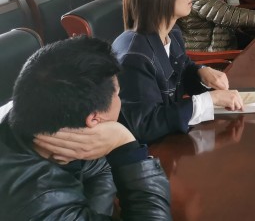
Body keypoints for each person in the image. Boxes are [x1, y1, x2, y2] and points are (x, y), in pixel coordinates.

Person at [0, 36, 172, 219]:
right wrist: (125, 144)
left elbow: (99, 168)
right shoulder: (39, 205)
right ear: (94, 119)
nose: (120, 100)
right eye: (118, 94)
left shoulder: (31, 118)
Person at [113, 0, 244, 144]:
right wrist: (209, 99)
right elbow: (146, 125)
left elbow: (182, 69)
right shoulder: (134, 56)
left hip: (171, 137)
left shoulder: (172, 34)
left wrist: (201, 71)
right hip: (149, 150)